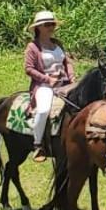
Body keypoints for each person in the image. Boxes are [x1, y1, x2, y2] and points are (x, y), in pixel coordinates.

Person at [23, 10, 76, 161]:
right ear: (38, 27)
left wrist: (72, 77)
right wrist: (47, 79)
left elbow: (67, 62)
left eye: (52, 24)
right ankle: (38, 144)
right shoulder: (32, 47)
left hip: (64, 83)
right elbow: (29, 69)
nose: (51, 27)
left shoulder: (57, 43)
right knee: (44, 109)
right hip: (43, 85)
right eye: (47, 25)